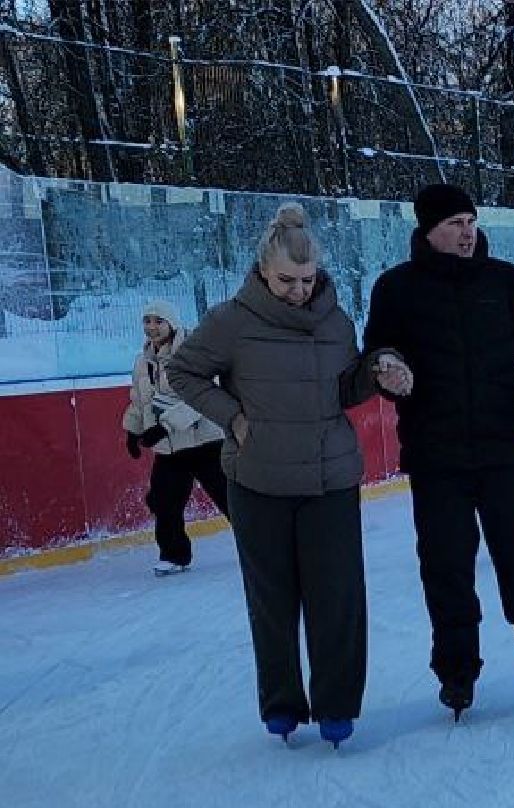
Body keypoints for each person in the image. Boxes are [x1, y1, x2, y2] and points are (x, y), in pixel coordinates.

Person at [170, 204, 410, 748]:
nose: (298, 291)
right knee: (273, 602)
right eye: (286, 281)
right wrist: (230, 415)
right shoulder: (232, 320)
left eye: (306, 280)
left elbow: (344, 389)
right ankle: (281, 702)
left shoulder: (335, 319)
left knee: (338, 599)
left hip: (330, 480)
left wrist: (377, 373)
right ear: (262, 272)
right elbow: (182, 370)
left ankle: (337, 706)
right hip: (258, 482)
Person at [362, 183, 514, 719]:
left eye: (471, 221)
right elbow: (377, 352)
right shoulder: (396, 289)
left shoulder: (505, 282)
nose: (466, 232)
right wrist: (389, 369)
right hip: (436, 457)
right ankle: (456, 673)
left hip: (503, 449)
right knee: (446, 567)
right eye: (454, 223)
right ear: (428, 230)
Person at [123, 299, 228, 576]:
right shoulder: (142, 361)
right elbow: (139, 400)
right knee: (162, 500)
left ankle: (265, 545)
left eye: (159, 321)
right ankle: (174, 555)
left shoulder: (193, 353)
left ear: (172, 323)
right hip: (169, 449)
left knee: (231, 499)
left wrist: (166, 425)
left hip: (205, 442)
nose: (152, 327)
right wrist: (132, 431)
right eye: (147, 321)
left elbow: (202, 396)